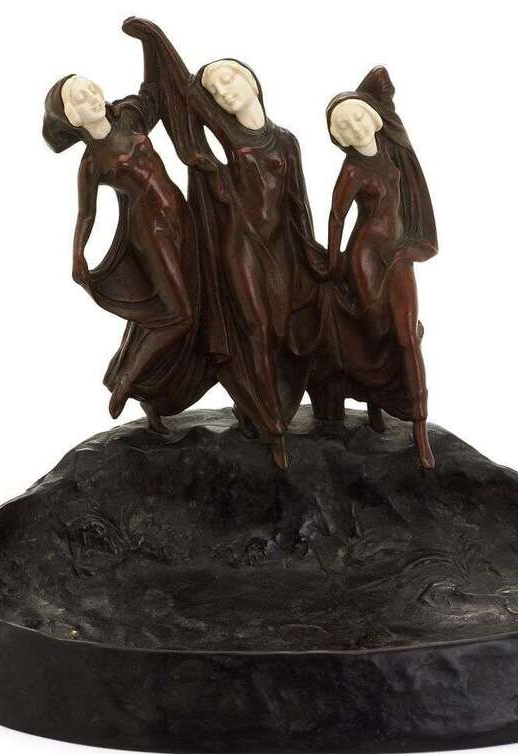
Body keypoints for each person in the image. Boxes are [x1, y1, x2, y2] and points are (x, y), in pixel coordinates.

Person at [121, 18, 328, 469]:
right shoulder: (224, 135)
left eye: (229, 78)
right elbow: (182, 89)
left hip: (282, 252)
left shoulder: (286, 141)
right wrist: (153, 38)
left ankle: (263, 412)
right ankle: (272, 427)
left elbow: (298, 202)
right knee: (253, 327)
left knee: (282, 330)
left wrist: (314, 252)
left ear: (251, 79)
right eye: (214, 89)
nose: (224, 91)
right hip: (239, 246)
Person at [43, 73, 215, 429]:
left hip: (181, 216)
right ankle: (127, 380)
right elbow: (87, 214)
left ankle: (156, 397)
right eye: (80, 98)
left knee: (196, 303)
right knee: (178, 314)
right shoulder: (92, 163)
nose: (92, 97)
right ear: (72, 117)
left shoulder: (129, 117)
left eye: (91, 88)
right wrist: (78, 254)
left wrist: (149, 45)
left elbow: (153, 90)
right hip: (150, 231)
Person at [308, 66, 438, 468]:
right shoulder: (352, 169)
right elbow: (336, 217)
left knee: (406, 335)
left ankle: (419, 427)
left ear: (374, 117)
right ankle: (374, 403)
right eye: (344, 126)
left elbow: (381, 78)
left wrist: (369, 98)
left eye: (359, 117)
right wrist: (333, 264)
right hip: (364, 257)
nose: (356, 127)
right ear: (339, 138)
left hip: (397, 254)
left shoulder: (395, 150)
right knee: (376, 332)